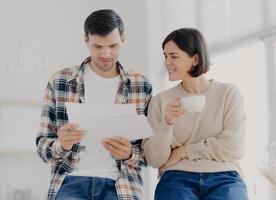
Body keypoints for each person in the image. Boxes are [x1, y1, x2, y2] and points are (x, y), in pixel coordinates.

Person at [36, 9, 152, 200]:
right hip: (71, 180)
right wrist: (61, 145)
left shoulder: (141, 86)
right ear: (86, 41)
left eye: (113, 46)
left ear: (123, 39)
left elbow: (150, 154)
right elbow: (42, 149)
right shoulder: (59, 82)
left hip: (121, 185)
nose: (106, 54)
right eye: (98, 46)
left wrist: (131, 153)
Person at [143, 28, 248, 200]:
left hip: (225, 175)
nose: (167, 63)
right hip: (176, 177)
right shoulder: (161, 101)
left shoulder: (228, 93)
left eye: (174, 56)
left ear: (196, 59)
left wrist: (182, 151)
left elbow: (233, 146)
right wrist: (167, 123)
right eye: (165, 56)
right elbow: (155, 159)